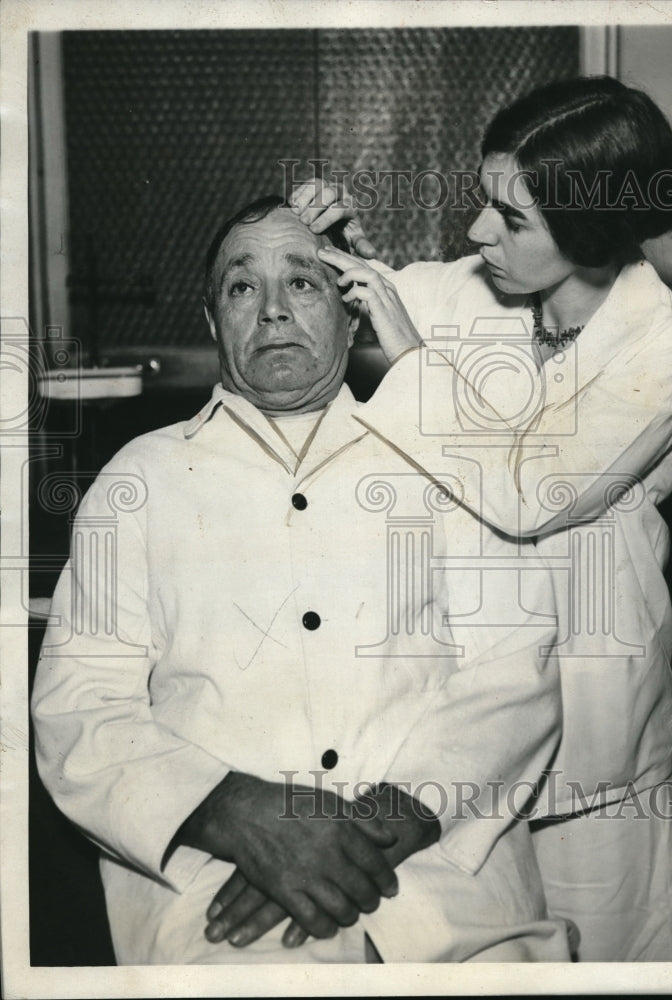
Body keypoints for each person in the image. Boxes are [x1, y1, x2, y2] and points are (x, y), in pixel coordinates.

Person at [32, 196, 574, 965]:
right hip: (223, 900)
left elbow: (515, 668)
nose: (274, 311)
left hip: (441, 883)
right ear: (213, 322)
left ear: (353, 316)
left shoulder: (442, 456)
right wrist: (236, 816)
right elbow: (77, 708)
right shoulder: (139, 482)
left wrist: (369, 831)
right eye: (242, 287)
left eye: (304, 283)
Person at [290, 75, 672, 961]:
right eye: (484, 202)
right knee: (485, 951)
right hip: (462, 711)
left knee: (611, 948)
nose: (480, 232)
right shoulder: (477, 287)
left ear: (591, 231)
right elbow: (391, 294)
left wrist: (407, 352)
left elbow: (528, 493)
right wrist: (335, 247)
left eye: (512, 220)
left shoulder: (664, 344)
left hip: (590, 713)